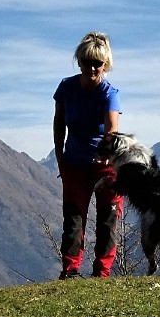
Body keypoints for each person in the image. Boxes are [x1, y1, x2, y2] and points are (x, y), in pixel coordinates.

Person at [53, 31, 124, 279]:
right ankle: (70, 272)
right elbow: (59, 122)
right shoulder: (66, 88)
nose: (92, 68)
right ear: (79, 61)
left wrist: (105, 151)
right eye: (87, 62)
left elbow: (112, 127)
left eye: (98, 63)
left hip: (106, 166)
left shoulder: (109, 93)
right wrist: (60, 158)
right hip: (74, 164)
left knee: (107, 220)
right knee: (73, 220)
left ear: (106, 65)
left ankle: (101, 273)